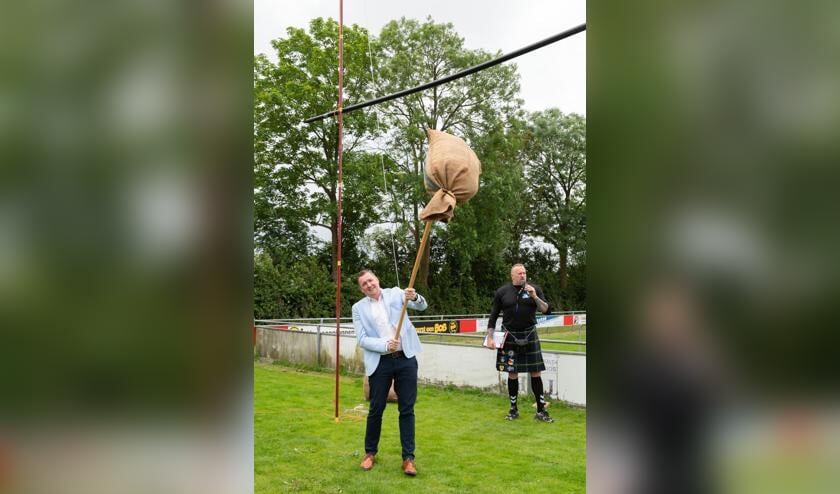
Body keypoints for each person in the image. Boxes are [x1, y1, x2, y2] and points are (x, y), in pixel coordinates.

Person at [352, 269, 428, 476]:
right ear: (361, 288)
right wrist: (385, 344)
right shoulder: (358, 308)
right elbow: (362, 339)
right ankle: (369, 454)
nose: (369, 285)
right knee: (376, 409)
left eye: (370, 280)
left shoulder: (395, 293)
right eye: (364, 284)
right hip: (380, 362)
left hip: (406, 359)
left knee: (407, 409)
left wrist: (415, 296)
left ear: (377, 279)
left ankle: (408, 459)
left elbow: (422, 306)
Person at [484, 263, 554, 422]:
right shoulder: (502, 292)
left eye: (524, 273)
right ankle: (513, 409)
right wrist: (489, 337)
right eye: (520, 273)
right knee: (512, 372)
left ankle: (541, 410)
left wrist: (535, 296)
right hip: (509, 336)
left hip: (529, 335)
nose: (523, 275)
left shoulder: (534, 289)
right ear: (512, 276)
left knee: (536, 371)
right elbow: (493, 315)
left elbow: (547, 310)